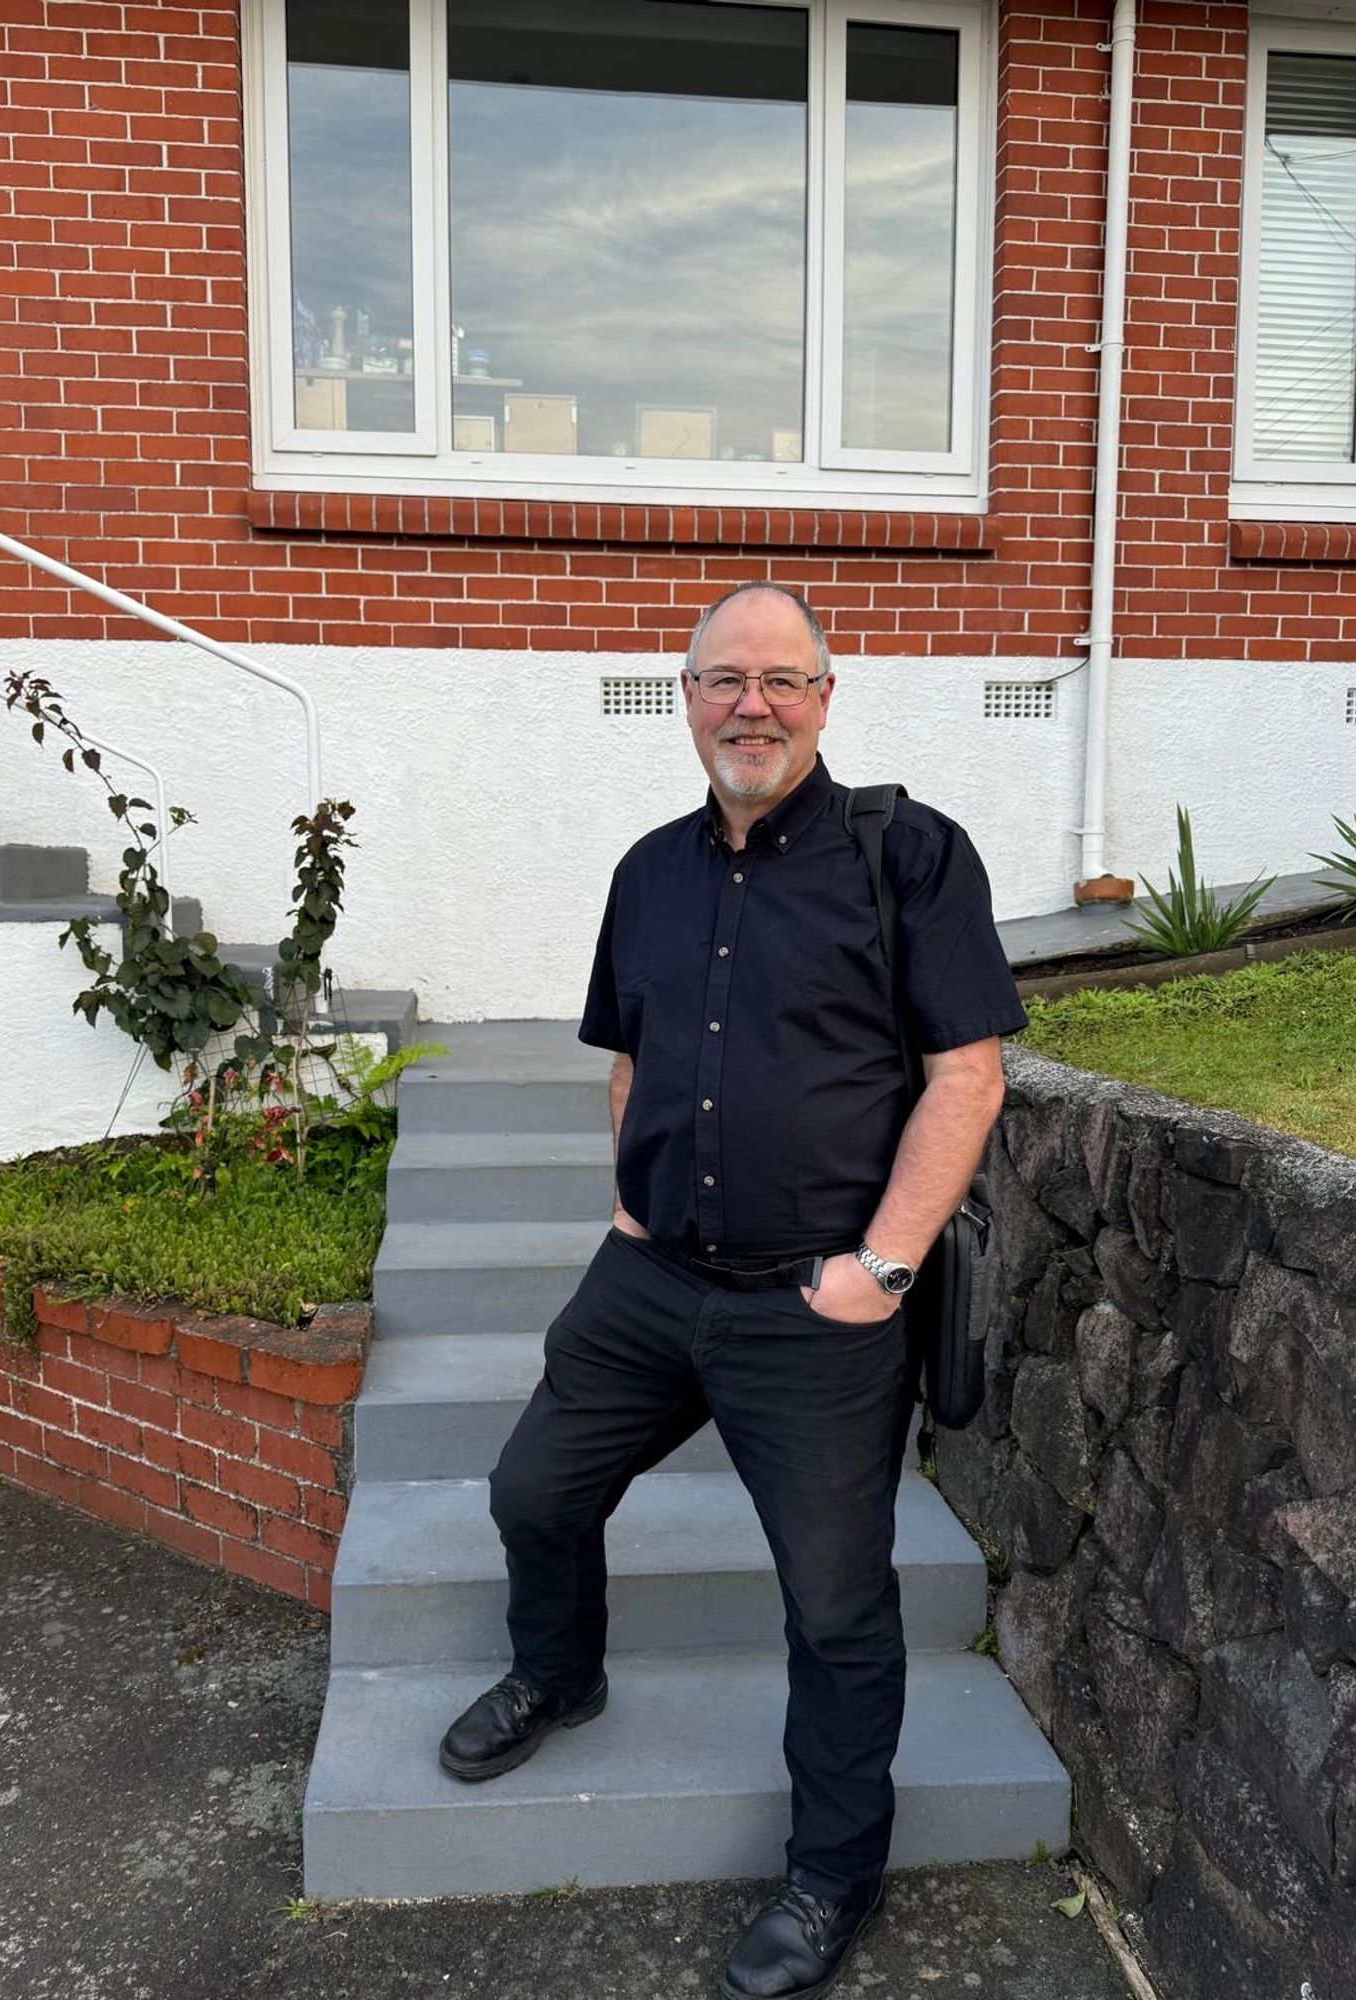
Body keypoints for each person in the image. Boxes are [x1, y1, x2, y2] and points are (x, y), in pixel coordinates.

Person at [438, 582, 1029, 1999]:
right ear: (684, 698)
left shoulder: (913, 857)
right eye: (721, 679)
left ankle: (834, 1874)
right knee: (534, 1492)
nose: (748, 704)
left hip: (814, 1314)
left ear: (828, 697)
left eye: (780, 679)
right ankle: (560, 1670)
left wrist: (881, 1270)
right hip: (652, 1282)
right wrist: (631, 1200)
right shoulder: (649, 871)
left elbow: (969, 1076)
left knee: (835, 1609)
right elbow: (632, 1056)